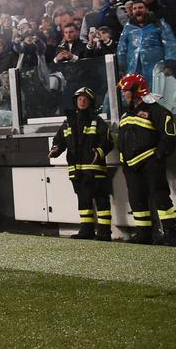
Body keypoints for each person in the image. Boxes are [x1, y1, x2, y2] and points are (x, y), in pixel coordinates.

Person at [115, 73, 176, 245]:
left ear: (137, 90)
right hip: (130, 167)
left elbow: (169, 137)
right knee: (136, 199)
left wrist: (157, 157)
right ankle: (143, 233)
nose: (123, 93)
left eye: (126, 90)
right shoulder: (126, 114)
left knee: (160, 197)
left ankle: (170, 233)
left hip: (151, 163)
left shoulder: (157, 111)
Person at [49, 88, 114, 241]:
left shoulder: (97, 121)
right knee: (83, 201)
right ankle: (86, 230)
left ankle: (105, 232)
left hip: (95, 170)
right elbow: (59, 140)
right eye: (79, 99)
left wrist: (99, 152)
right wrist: (56, 149)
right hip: (77, 171)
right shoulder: (68, 122)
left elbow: (108, 141)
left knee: (101, 201)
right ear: (75, 101)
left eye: (85, 99)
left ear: (90, 102)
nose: (82, 101)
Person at [116, 1, 176, 92]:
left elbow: (170, 43)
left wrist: (170, 64)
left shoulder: (159, 24)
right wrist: (120, 67)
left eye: (140, 8)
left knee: (155, 93)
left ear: (147, 9)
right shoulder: (128, 28)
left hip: (156, 69)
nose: (137, 10)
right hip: (133, 69)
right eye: (134, 8)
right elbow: (121, 48)